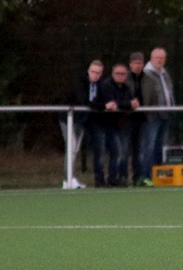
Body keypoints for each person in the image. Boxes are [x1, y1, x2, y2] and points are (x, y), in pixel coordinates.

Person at [59, 60, 104, 189]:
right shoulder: (80, 82)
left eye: (98, 73)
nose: (95, 75)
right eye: (93, 72)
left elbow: (98, 101)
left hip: (82, 120)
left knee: (75, 148)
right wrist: (102, 105)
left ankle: (70, 178)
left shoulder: (100, 85)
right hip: (68, 118)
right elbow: (84, 101)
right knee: (71, 147)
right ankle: (67, 179)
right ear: (88, 71)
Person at [96, 63, 139, 186]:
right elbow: (113, 104)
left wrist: (128, 104)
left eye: (123, 74)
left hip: (115, 125)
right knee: (101, 153)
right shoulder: (106, 85)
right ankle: (99, 181)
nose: (120, 76)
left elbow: (129, 103)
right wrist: (128, 104)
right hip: (101, 124)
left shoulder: (126, 88)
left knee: (117, 152)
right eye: (118, 73)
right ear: (112, 74)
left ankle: (113, 179)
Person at [138, 47, 176, 186]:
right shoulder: (146, 74)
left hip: (165, 115)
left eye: (162, 58)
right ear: (151, 58)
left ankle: (157, 176)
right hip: (152, 116)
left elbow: (169, 92)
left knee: (160, 146)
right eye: (157, 58)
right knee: (149, 146)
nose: (160, 60)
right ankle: (145, 175)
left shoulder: (165, 74)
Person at [125, 52, 147, 184]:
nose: (138, 65)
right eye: (135, 63)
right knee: (124, 149)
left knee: (140, 150)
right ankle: (122, 177)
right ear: (130, 64)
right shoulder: (124, 78)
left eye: (140, 63)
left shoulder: (148, 79)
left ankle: (138, 177)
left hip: (143, 119)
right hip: (127, 120)